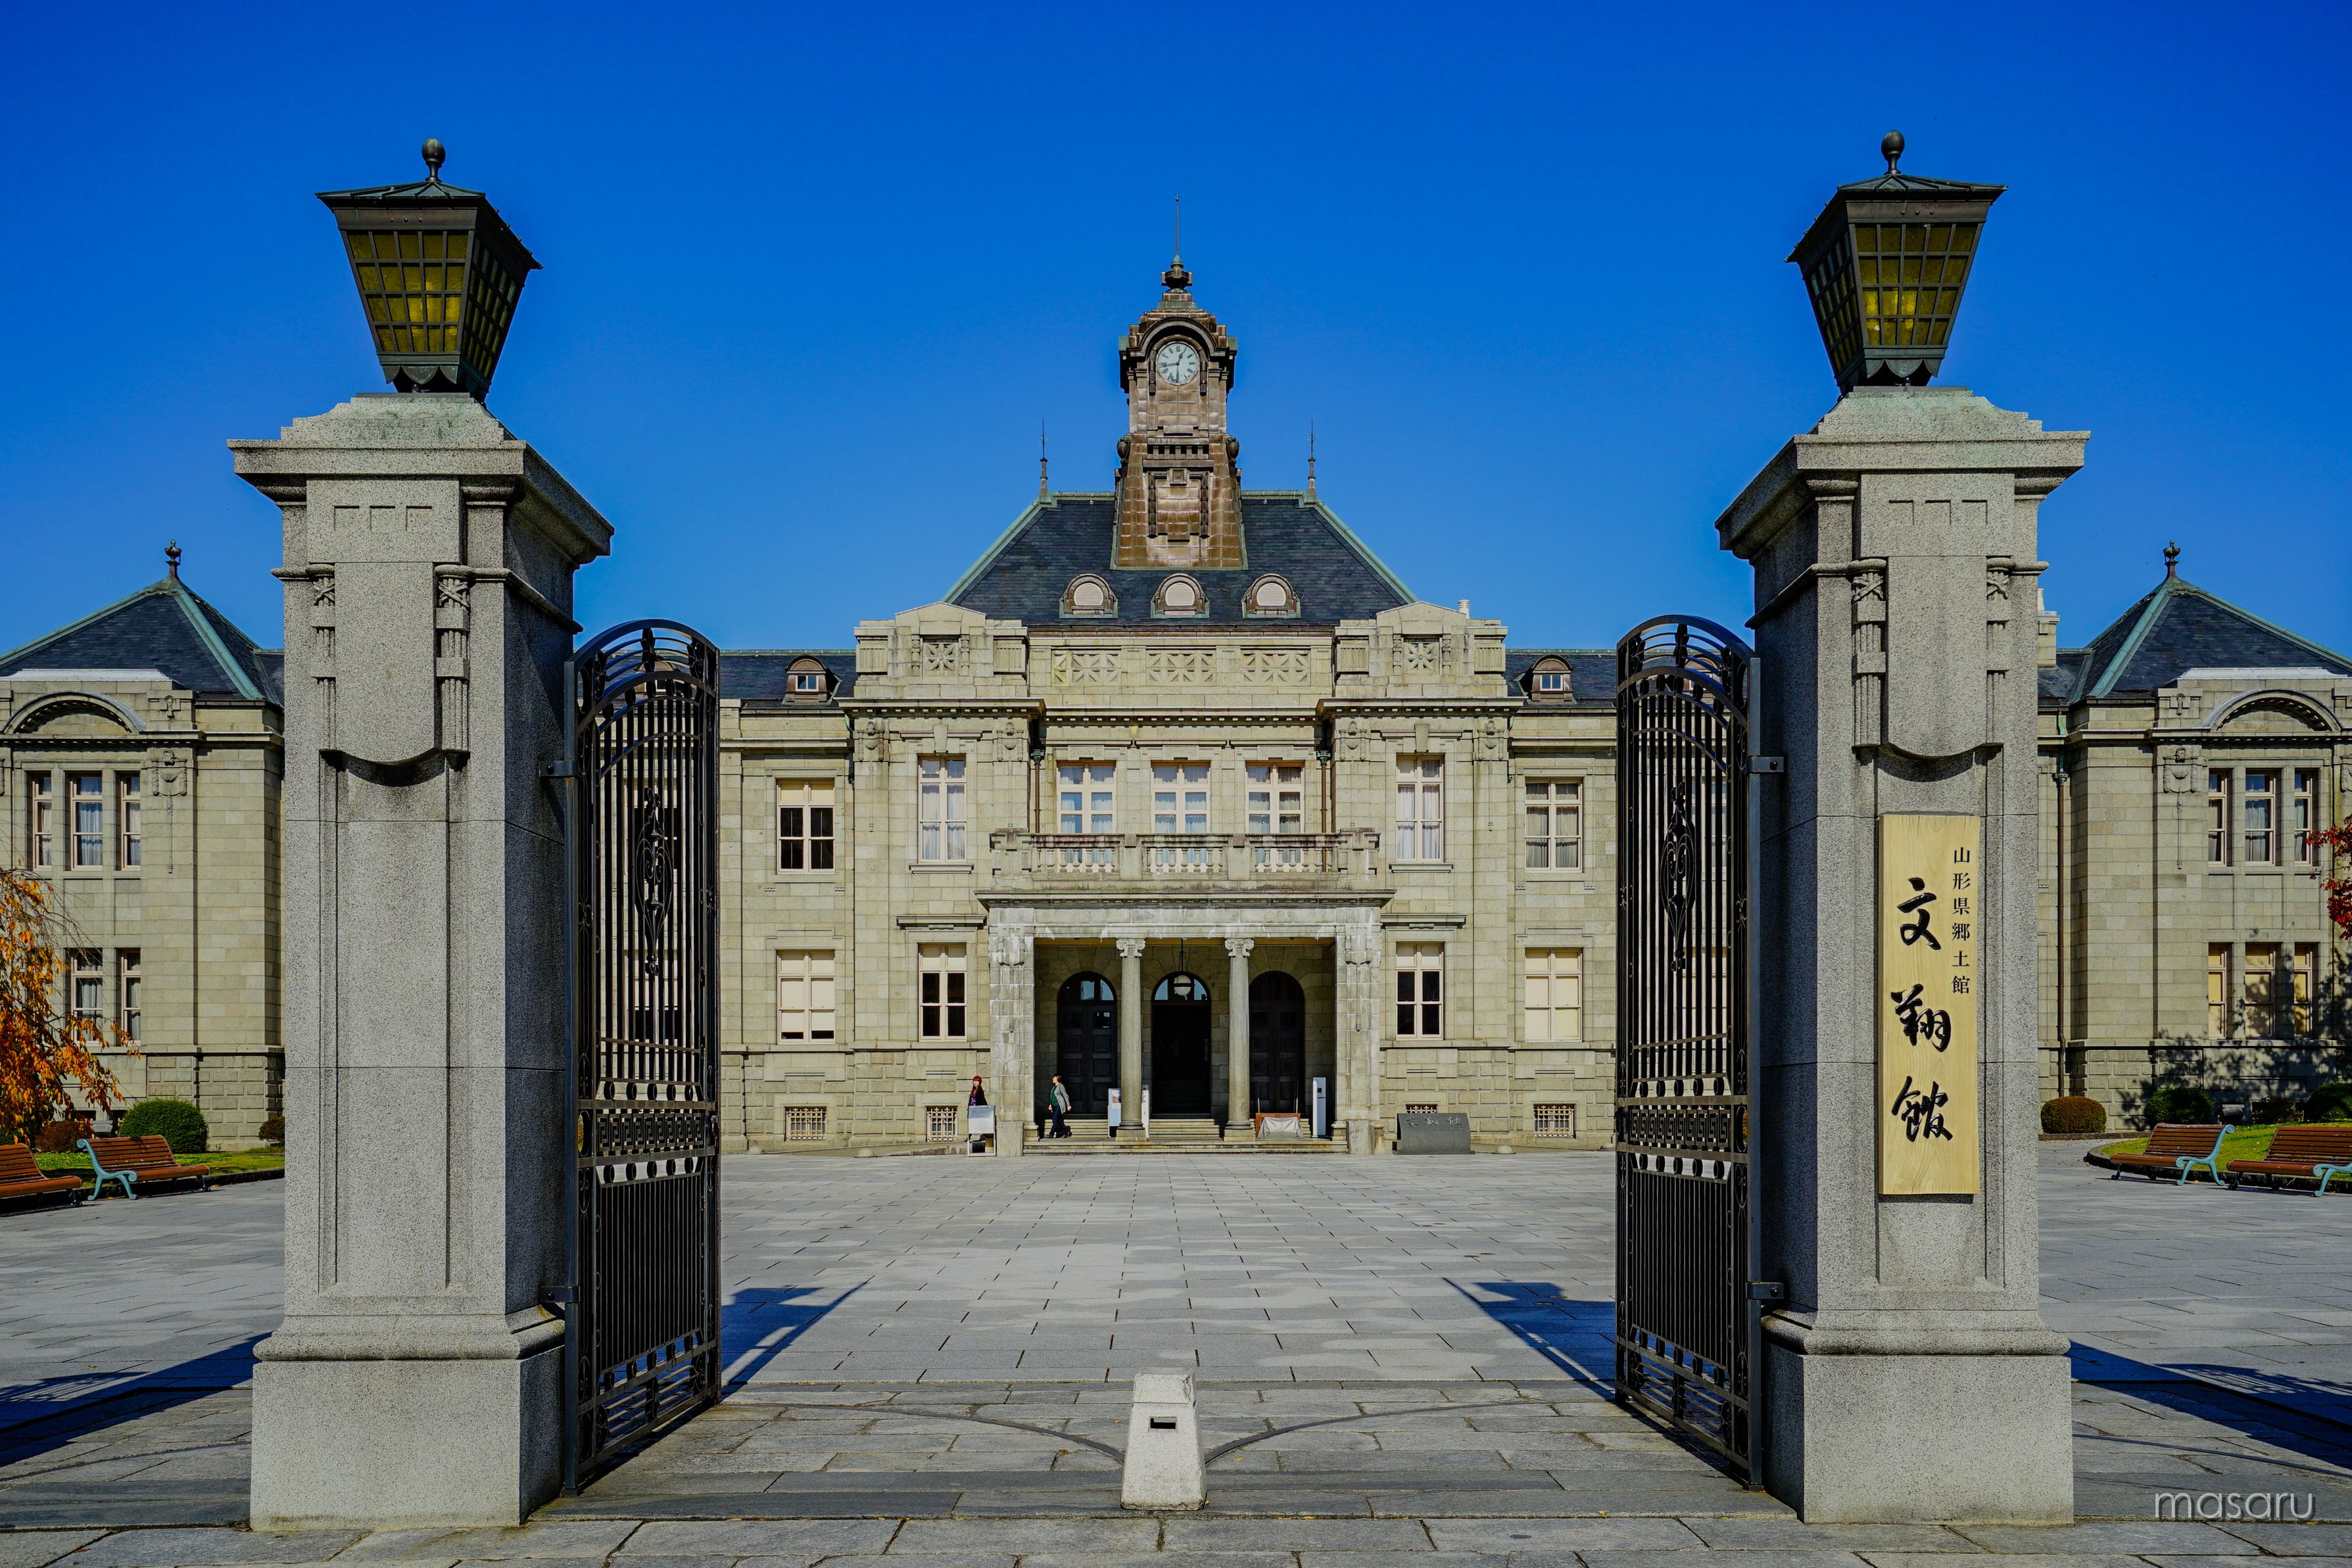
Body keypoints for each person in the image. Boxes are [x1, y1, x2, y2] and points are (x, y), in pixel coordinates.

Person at [967, 1075, 990, 1153]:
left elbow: (982, 1100)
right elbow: (971, 1100)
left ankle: (985, 1136)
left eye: (977, 1081)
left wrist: (985, 1109)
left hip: (977, 1110)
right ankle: (969, 1137)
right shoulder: (973, 1090)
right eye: (974, 1081)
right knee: (971, 1124)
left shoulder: (980, 1091)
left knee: (980, 1123)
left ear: (980, 1082)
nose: (975, 1082)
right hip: (972, 1109)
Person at [1048, 1075, 1072, 1139]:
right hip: (1054, 1106)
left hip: (1059, 1106)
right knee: (1060, 1121)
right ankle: (1066, 1133)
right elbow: (1052, 1097)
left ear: (1058, 1079)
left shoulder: (1061, 1086)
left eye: (1054, 1078)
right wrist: (1051, 1104)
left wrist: (1068, 1105)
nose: (1053, 1079)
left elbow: (1065, 1096)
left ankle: (1051, 1134)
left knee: (1055, 1119)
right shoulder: (1054, 1087)